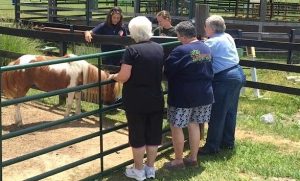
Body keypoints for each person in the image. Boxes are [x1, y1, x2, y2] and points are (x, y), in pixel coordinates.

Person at [109, 16, 164, 180]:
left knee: (138, 133)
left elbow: (124, 76)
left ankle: (138, 170)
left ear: (133, 32)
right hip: (156, 96)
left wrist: (114, 76)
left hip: (136, 99)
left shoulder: (131, 50)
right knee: (153, 133)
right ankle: (150, 168)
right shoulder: (159, 48)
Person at [163, 21, 214, 169]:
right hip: (204, 93)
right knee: (194, 124)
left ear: (184, 36)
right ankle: (193, 158)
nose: (178, 39)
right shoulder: (206, 47)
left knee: (176, 126)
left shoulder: (180, 50)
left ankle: (178, 161)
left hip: (183, 95)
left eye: (178, 36)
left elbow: (168, 70)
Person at [198, 15, 246, 155]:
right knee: (230, 111)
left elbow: (195, 57)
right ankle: (227, 142)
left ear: (211, 28)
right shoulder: (227, 36)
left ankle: (212, 147)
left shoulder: (212, 43)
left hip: (224, 78)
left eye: (206, 26)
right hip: (237, 74)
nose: (204, 28)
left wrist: (193, 47)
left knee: (217, 113)